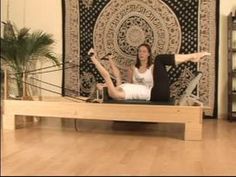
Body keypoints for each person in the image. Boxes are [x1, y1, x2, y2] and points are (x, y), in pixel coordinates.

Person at [89, 47, 210, 102]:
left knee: (159, 60)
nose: (102, 84)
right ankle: (193, 57)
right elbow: (105, 75)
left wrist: (110, 59)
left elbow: (116, 75)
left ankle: (192, 57)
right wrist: (93, 59)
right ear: (104, 89)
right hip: (155, 94)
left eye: (101, 84)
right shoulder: (113, 93)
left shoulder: (119, 88)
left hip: (156, 92)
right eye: (101, 85)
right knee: (159, 59)